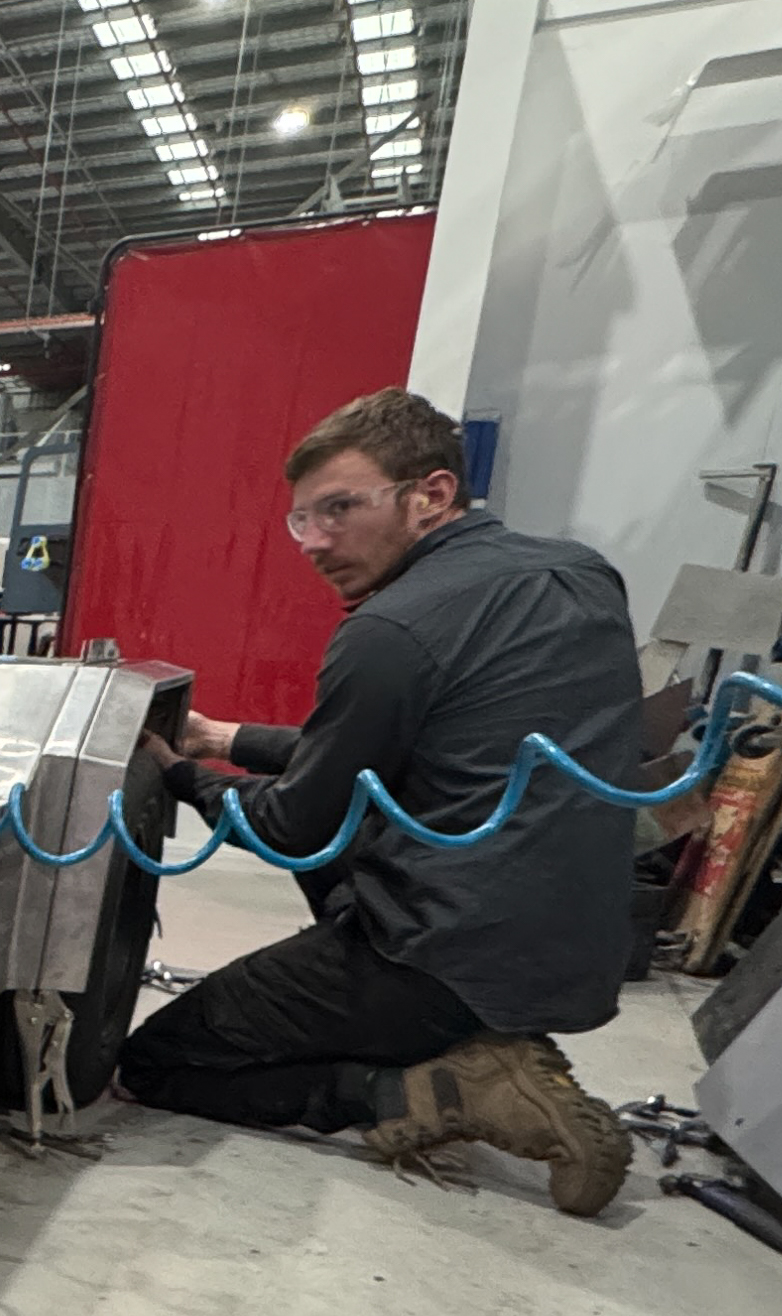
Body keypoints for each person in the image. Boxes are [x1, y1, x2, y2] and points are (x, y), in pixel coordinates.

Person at [115, 388, 642, 1215]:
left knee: (156, 1064)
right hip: (576, 950)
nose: (316, 543)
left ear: (430, 495)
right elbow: (425, 750)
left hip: (438, 955)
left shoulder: (391, 628)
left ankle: (422, 1091)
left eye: (340, 509)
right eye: (302, 521)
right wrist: (225, 739)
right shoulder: (580, 574)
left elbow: (296, 826)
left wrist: (175, 775)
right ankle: (478, 1045)